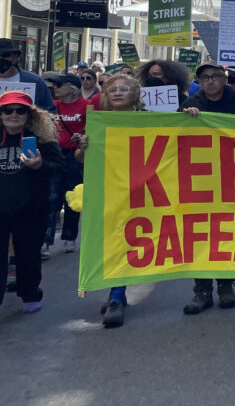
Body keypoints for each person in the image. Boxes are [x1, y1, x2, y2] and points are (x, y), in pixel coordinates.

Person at [180, 63, 235, 314]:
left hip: (232, 176)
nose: (210, 81)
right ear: (199, 81)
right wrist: (186, 117)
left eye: (215, 76)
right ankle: (202, 291)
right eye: (204, 77)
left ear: (225, 79)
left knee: (227, 232)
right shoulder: (192, 103)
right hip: (200, 179)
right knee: (200, 234)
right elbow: (175, 136)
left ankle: (226, 285)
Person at [73, 74, 141, 327]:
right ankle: (116, 294)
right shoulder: (97, 123)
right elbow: (81, 159)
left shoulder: (150, 121)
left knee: (130, 242)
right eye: (113, 89)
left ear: (135, 94)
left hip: (141, 192)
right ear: (106, 95)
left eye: (125, 89)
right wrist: (84, 147)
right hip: (107, 190)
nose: (119, 93)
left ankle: (117, 295)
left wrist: (190, 115)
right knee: (111, 242)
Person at [0, 91, 65, 313]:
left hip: (31, 209)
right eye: (8, 110)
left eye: (21, 110)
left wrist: (40, 166)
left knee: (28, 254)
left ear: (30, 115)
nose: (14, 115)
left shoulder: (42, 140)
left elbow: (58, 168)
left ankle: (30, 294)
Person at [43, 74, 89, 256]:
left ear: (72, 88)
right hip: (55, 154)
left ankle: (70, 237)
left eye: (59, 85)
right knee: (52, 197)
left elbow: (93, 128)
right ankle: (45, 241)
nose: (55, 88)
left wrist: (82, 136)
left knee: (73, 196)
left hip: (75, 156)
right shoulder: (53, 106)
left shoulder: (86, 106)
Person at [0, 38, 55, 113]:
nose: (1, 58)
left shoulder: (35, 81)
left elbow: (48, 111)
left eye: (5, 55)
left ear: (15, 57)